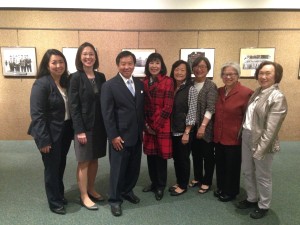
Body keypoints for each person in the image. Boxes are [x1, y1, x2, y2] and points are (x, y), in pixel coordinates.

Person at [236, 61, 288, 219]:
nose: (263, 76)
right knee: (247, 170)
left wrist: (260, 150)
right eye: (261, 73)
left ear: (276, 76)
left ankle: (264, 205)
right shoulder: (258, 92)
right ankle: (252, 198)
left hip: (263, 140)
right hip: (247, 135)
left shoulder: (277, 97)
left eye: (268, 73)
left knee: (263, 175)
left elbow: (271, 129)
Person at [28, 49, 73, 215]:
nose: (58, 65)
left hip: (65, 130)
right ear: (47, 65)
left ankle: (59, 194)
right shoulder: (41, 84)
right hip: (49, 134)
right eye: (54, 62)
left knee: (60, 164)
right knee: (51, 168)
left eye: (61, 62)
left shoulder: (65, 82)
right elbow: (37, 115)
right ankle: (54, 202)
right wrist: (43, 140)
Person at [101, 50, 144, 217]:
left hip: (137, 134)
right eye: (123, 64)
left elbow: (139, 109)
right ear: (118, 65)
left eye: (130, 63)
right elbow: (107, 114)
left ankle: (128, 191)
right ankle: (115, 200)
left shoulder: (140, 84)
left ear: (134, 65)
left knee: (134, 168)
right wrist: (113, 136)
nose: (127, 67)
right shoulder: (109, 85)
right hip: (119, 136)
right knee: (118, 170)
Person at [68, 42, 107, 211]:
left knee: (94, 159)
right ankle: (83, 194)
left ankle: (91, 188)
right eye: (85, 54)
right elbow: (73, 106)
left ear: (95, 57)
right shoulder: (75, 77)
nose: (88, 57)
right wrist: (79, 130)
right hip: (84, 127)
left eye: (91, 54)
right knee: (84, 161)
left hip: (99, 126)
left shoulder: (101, 77)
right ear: (80, 57)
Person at [213, 62, 253, 202]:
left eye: (232, 74)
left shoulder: (246, 93)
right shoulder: (219, 91)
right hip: (218, 136)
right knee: (220, 163)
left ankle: (231, 191)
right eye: (225, 74)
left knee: (232, 166)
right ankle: (221, 187)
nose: (228, 77)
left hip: (234, 137)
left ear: (237, 75)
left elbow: (249, 118)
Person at [142, 53, 174, 201]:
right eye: (151, 63)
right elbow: (142, 106)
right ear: (147, 65)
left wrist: (155, 125)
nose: (154, 66)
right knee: (150, 155)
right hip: (148, 126)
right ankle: (154, 183)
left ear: (161, 66)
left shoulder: (168, 81)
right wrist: (146, 125)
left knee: (161, 157)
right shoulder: (143, 82)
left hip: (161, 125)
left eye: (157, 63)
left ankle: (161, 185)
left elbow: (168, 107)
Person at [168, 60, 197, 196]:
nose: (179, 72)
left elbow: (192, 111)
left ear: (187, 73)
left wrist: (187, 132)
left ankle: (183, 185)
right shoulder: (171, 86)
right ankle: (179, 181)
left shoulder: (191, 89)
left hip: (184, 130)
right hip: (172, 129)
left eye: (182, 70)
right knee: (176, 158)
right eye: (176, 69)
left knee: (183, 158)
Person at [189, 56, 218, 194]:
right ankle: (197, 177)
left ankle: (206, 181)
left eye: (203, 66)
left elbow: (210, 108)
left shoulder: (210, 86)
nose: (199, 69)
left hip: (206, 126)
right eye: (197, 66)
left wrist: (203, 126)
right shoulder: (190, 83)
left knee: (207, 155)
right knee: (196, 154)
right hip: (191, 126)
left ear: (207, 69)